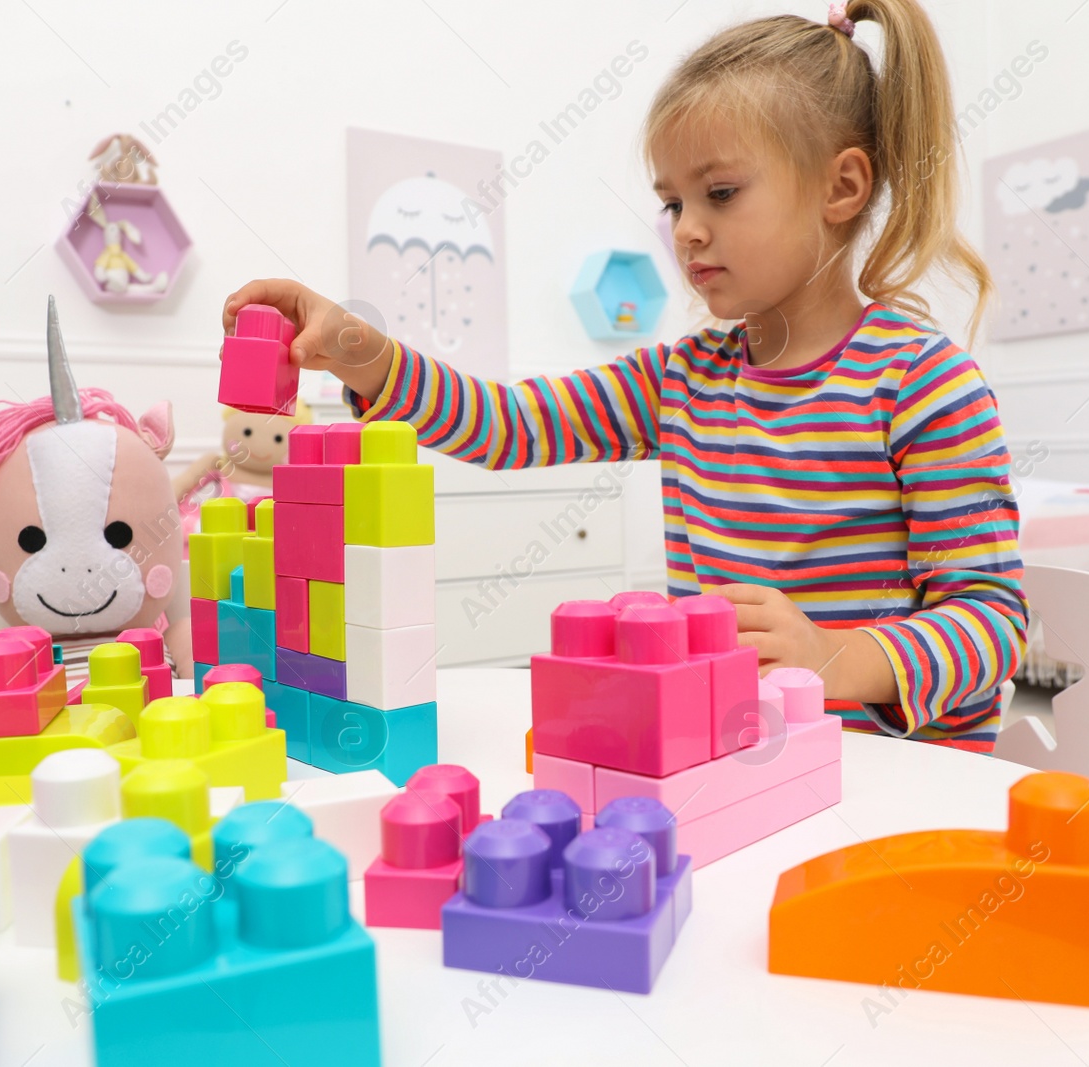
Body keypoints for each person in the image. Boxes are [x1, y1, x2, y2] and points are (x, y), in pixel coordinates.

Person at [223, 3, 1027, 751]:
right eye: (673, 203)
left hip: (893, 782)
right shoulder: (686, 376)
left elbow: (991, 621)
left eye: (719, 192)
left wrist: (833, 656)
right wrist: (361, 350)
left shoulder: (922, 382)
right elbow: (509, 426)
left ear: (841, 187)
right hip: (730, 757)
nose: (689, 231)